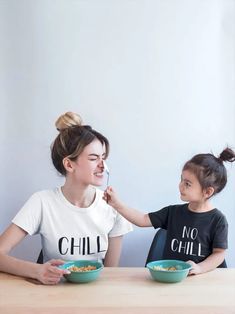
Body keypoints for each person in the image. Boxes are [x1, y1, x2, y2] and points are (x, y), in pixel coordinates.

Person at [0, 112, 132, 285]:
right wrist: (37, 270)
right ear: (69, 164)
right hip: (52, 296)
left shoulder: (113, 206)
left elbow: (110, 274)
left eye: (104, 158)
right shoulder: (42, 202)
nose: (103, 166)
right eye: (94, 158)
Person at [104, 147, 235, 275]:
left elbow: (219, 254)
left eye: (187, 184)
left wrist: (199, 268)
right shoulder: (173, 212)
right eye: (181, 179)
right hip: (173, 279)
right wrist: (116, 204)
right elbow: (142, 220)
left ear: (207, 192)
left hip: (200, 282)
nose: (180, 186)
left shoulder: (218, 220)